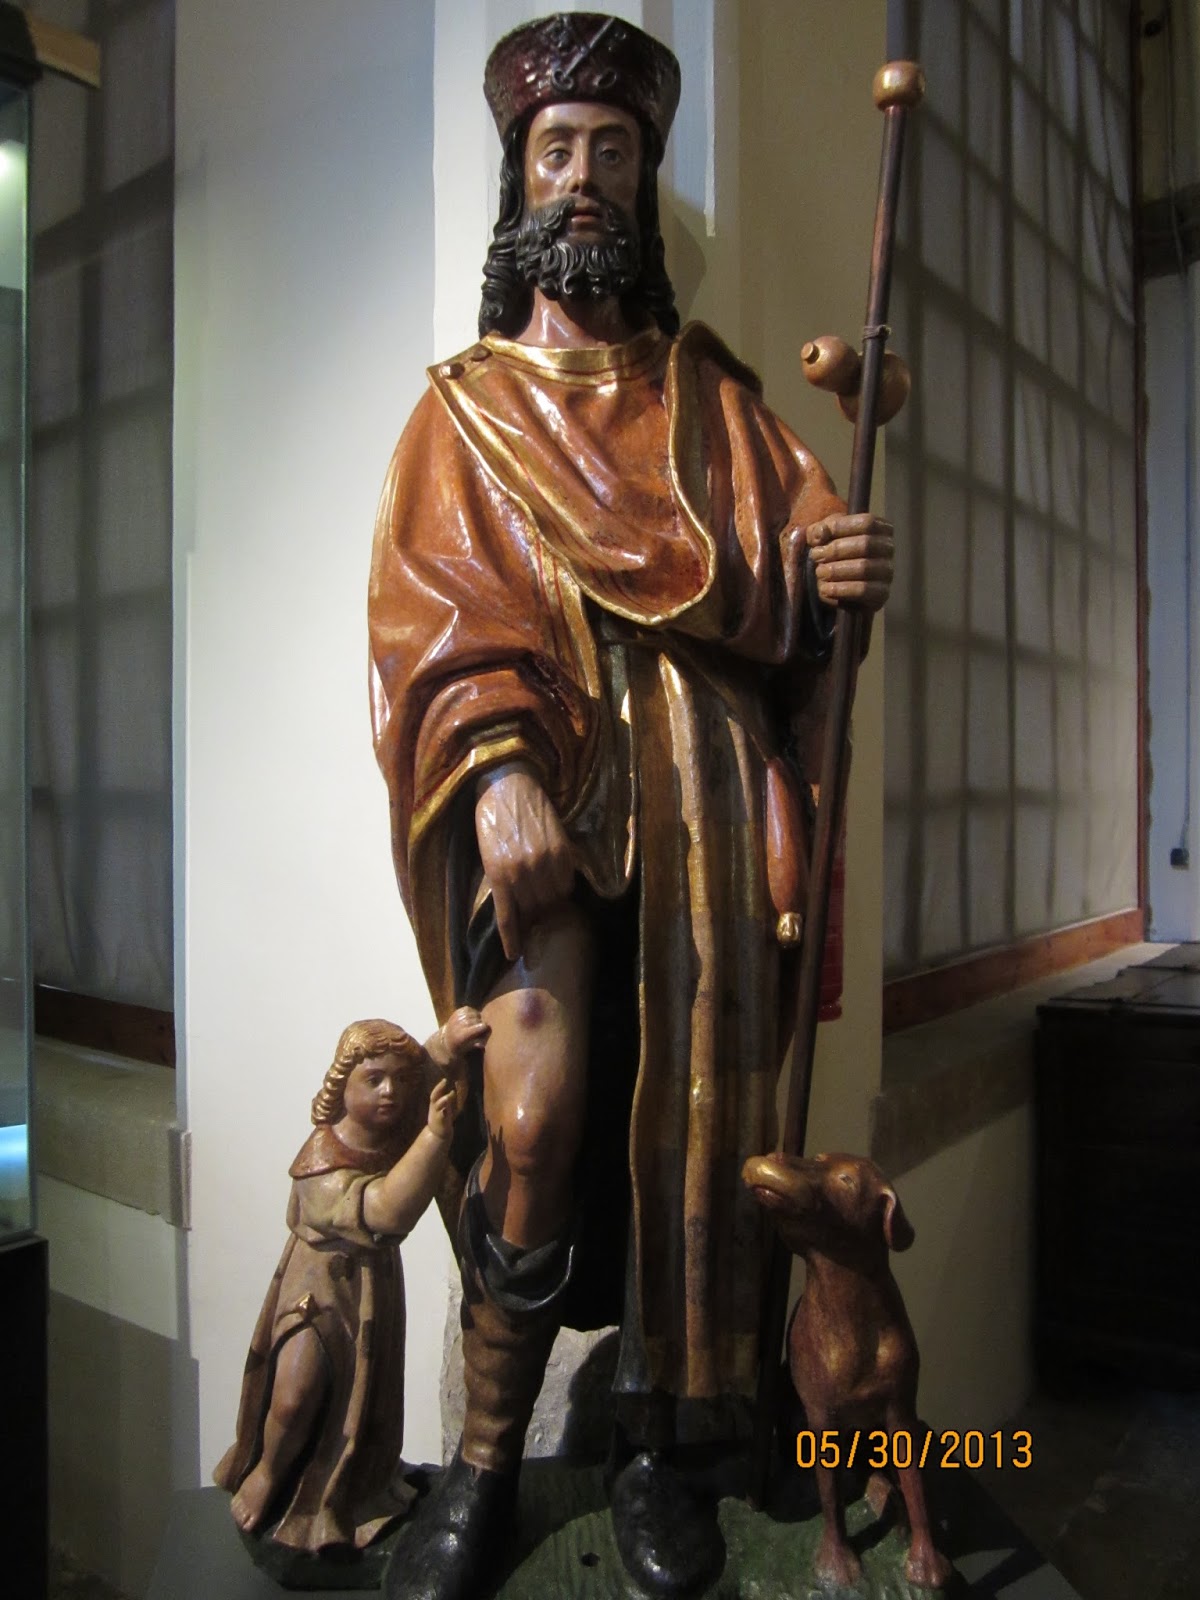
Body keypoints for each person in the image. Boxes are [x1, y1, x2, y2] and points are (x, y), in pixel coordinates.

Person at [368, 14, 894, 1598]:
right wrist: (497, 771)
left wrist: (839, 577)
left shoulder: (713, 397)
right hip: (551, 781)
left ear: (642, 180)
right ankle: (482, 1466)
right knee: (530, 1119)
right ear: (520, 181)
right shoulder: (465, 409)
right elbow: (428, 615)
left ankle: (666, 1450)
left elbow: (798, 584)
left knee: (703, 1118)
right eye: (557, 150)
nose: (585, 176)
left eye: (612, 149)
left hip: (708, 787)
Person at [214, 1009, 488, 1554]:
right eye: (374, 1080)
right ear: (341, 1086)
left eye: (398, 1081)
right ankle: (268, 1471)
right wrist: (434, 1140)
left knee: (361, 1405)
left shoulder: (390, 1127)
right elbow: (385, 1213)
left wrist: (446, 1043)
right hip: (314, 1293)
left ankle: (342, 1493)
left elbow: (422, 1070)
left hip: (369, 1292)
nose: (391, 1093)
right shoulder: (320, 1166)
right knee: (293, 1397)